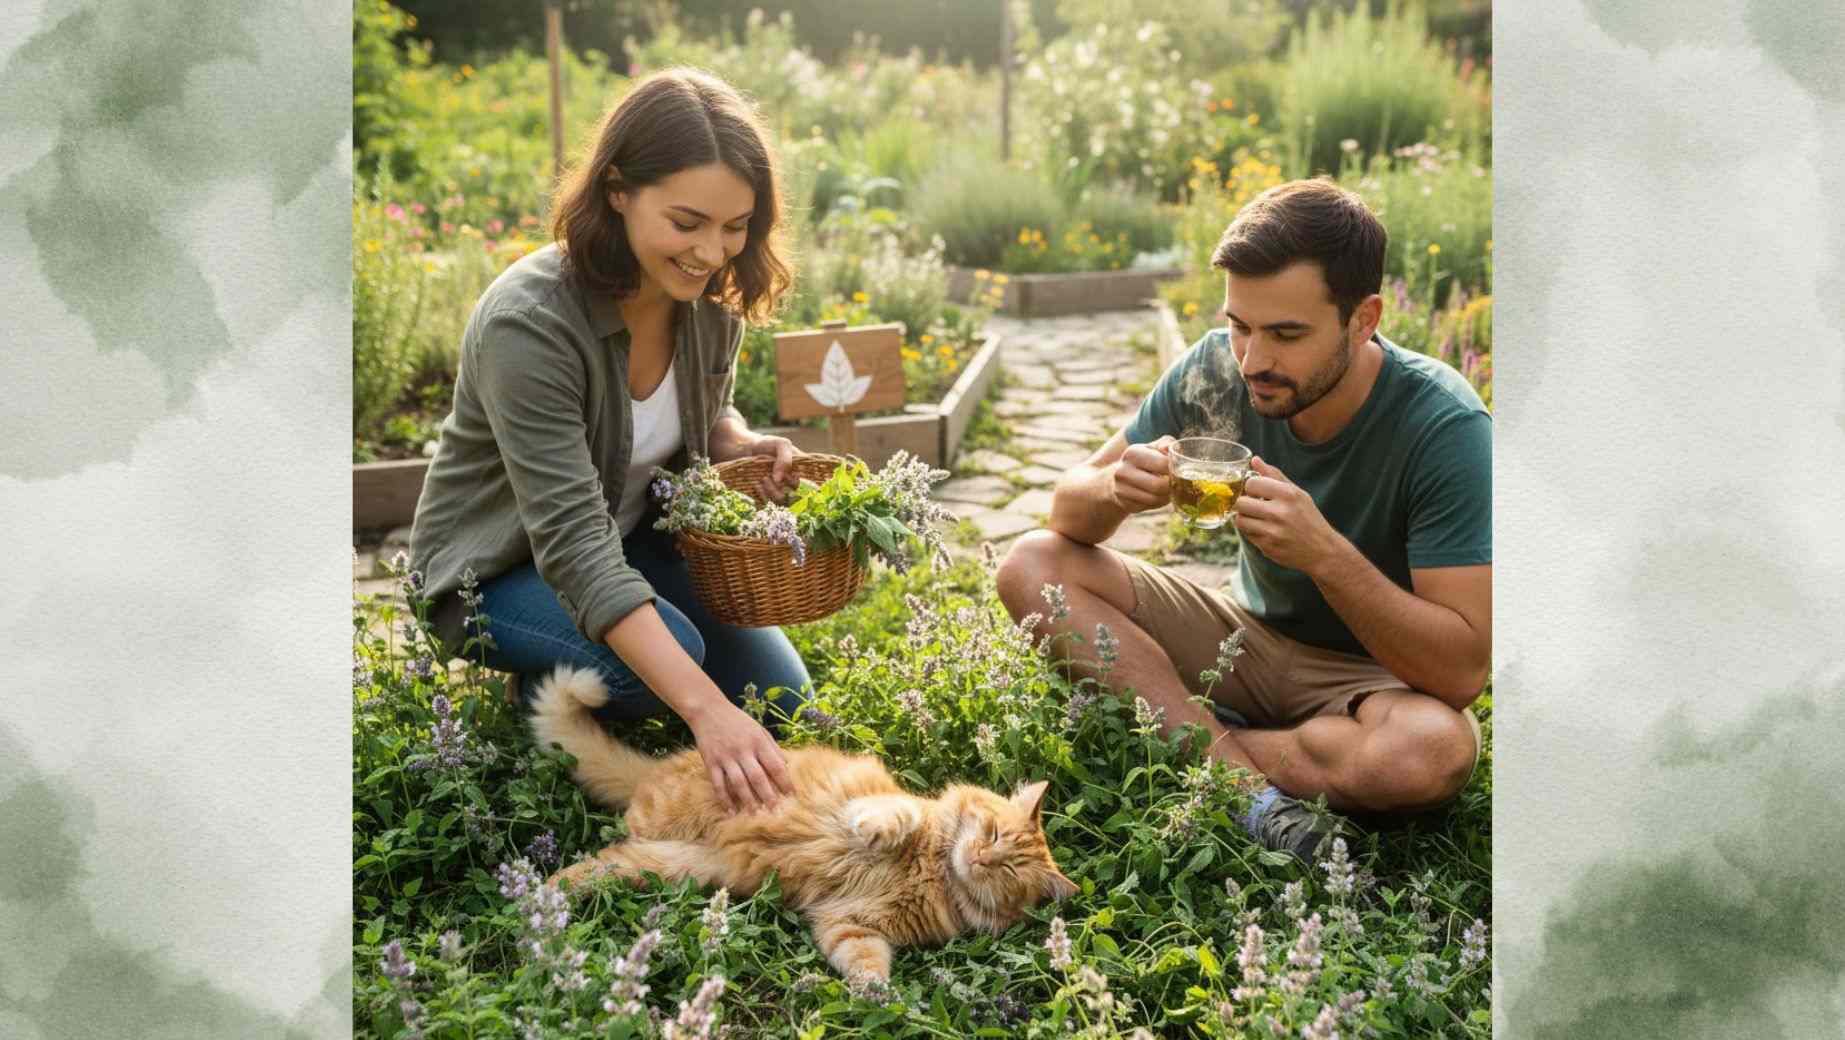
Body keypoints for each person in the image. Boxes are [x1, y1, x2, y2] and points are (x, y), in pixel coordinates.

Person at [996, 178, 1491, 861]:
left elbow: (1461, 671)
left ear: (1364, 317)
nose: (1253, 361)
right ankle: (1242, 784)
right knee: (1031, 563)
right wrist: (1114, 487)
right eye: (1240, 326)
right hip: (1243, 643)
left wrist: (1324, 554)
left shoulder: (1443, 426)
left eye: (1286, 334)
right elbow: (1065, 510)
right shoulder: (1211, 372)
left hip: (1372, 680)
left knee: (1429, 753)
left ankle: (1175, 735)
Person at [410, 68, 811, 815]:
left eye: (735, 226)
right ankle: (538, 688)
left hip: (625, 542)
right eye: (686, 222)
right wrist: (705, 712)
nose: (711, 251)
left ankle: (602, 662)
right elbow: (568, 540)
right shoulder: (529, 324)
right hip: (495, 572)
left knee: (782, 698)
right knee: (666, 670)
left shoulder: (706, 305)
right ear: (618, 190)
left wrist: (738, 442)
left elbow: (690, 422)